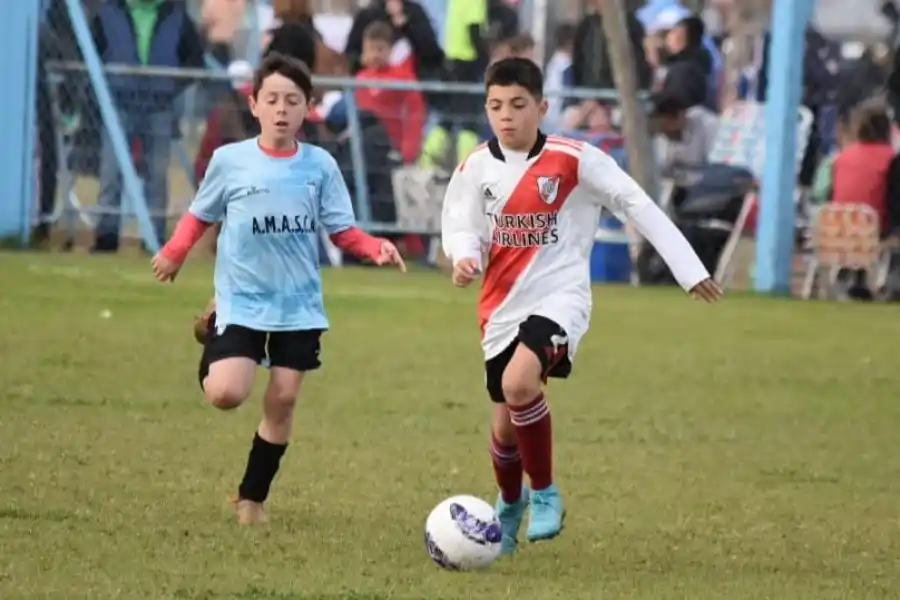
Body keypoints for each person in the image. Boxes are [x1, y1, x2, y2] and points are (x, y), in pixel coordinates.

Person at [440, 58, 722, 554]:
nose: (506, 116)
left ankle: (546, 491)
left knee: (519, 382)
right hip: (501, 308)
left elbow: (637, 204)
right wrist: (464, 257)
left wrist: (688, 267)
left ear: (542, 107)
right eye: (495, 106)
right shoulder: (475, 168)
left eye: (518, 105)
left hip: (561, 298)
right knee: (504, 429)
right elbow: (462, 225)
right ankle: (510, 503)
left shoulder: (575, 159)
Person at [150, 53, 406, 525]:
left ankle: (252, 498)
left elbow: (342, 231)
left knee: (283, 399)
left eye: (292, 100)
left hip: (298, 304)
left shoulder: (320, 166)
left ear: (309, 107)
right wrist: (174, 252)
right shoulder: (231, 161)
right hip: (242, 300)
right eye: (272, 99)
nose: (282, 109)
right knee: (227, 393)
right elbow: (200, 214)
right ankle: (215, 331)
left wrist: (375, 248)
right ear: (255, 105)